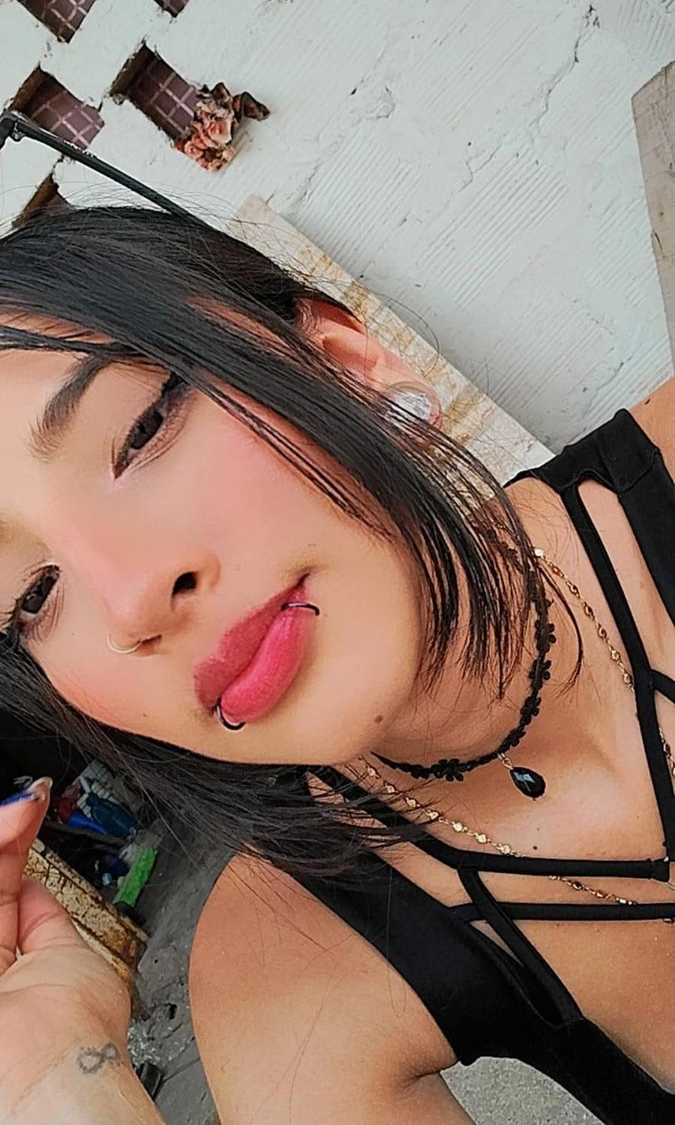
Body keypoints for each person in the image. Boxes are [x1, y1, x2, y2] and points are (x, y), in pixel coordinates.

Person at [0, 205, 672, 1125]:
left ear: (348, 366)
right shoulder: (283, 971)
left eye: (142, 431)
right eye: (33, 596)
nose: (130, 602)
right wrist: (49, 1089)